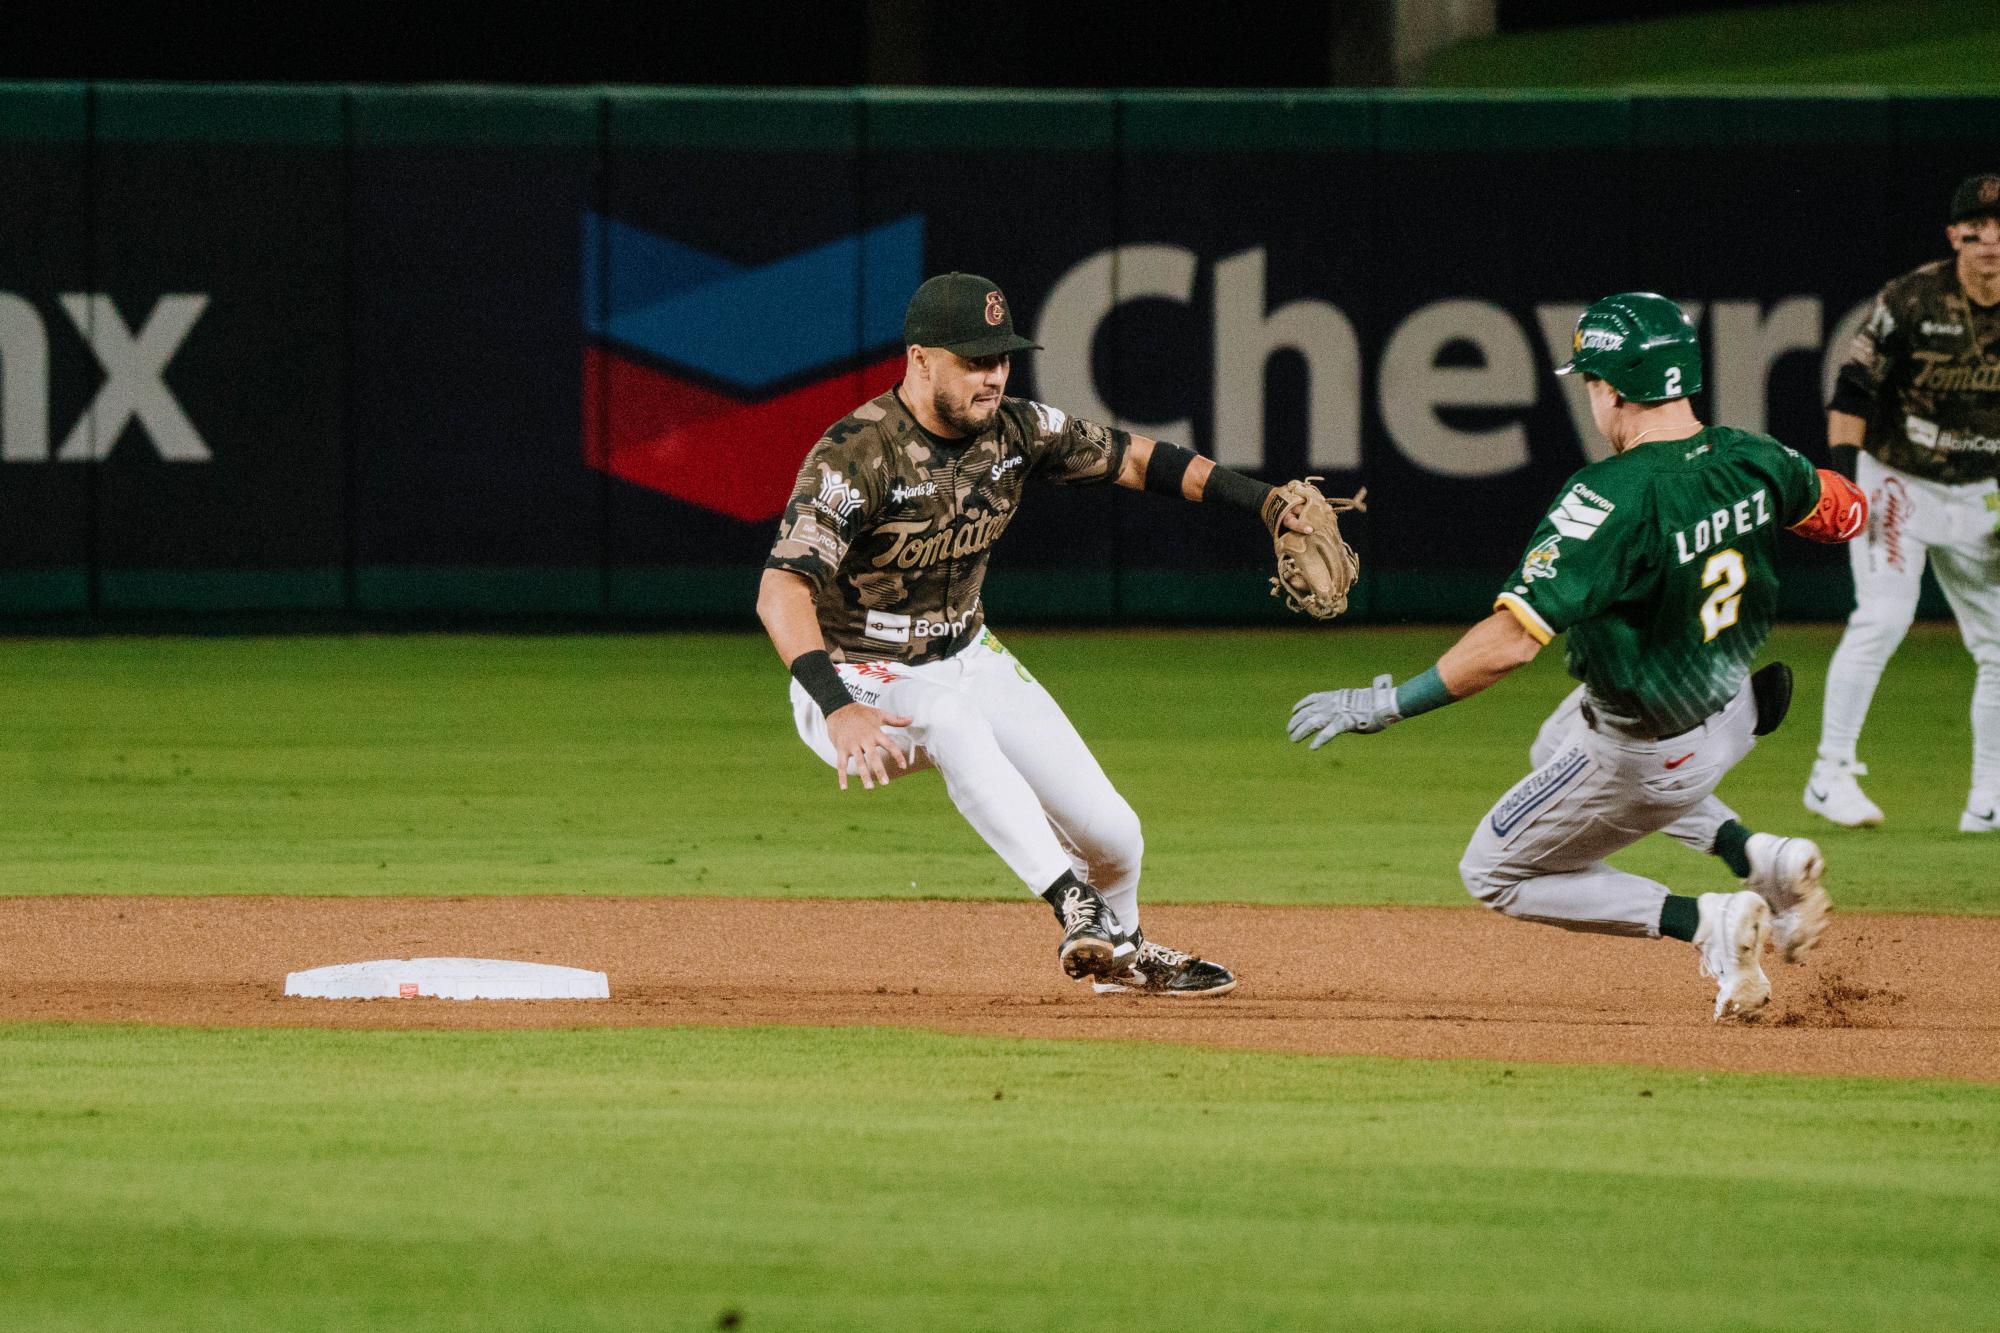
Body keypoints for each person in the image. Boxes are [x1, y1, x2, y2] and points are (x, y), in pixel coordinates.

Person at [757, 272, 1342, 997]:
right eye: (974, 358)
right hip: (854, 675)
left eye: (1001, 358)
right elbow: (780, 589)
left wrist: (1262, 504)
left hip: (968, 652)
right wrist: (835, 702)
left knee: (1116, 834)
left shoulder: (1018, 430)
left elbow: (1134, 458)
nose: (993, 375)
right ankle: (1072, 903)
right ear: (919, 359)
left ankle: (1120, 958)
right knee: (947, 718)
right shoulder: (855, 455)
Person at [1287, 293, 1867, 1021]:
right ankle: (1759, 855)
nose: (1590, 395)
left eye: (1589, 381)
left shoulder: (1608, 497)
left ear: (1614, 388)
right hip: (1732, 711)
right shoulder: (1756, 455)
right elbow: (1846, 514)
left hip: (1644, 752)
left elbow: (1510, 644)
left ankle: (1707, 923)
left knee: (1492, 871)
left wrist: (1387, 702)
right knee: (1550, 741)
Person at [1807, 172, 2000, 832]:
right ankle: (1828, 774)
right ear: (1956, 236)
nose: (1992, 240)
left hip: (1984, 492)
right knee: (1884, 615)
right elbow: (1853, 390)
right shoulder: (1913, 298)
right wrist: (1844, 480)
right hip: (1900, 483)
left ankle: (1989, 801)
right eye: (1978, 227)